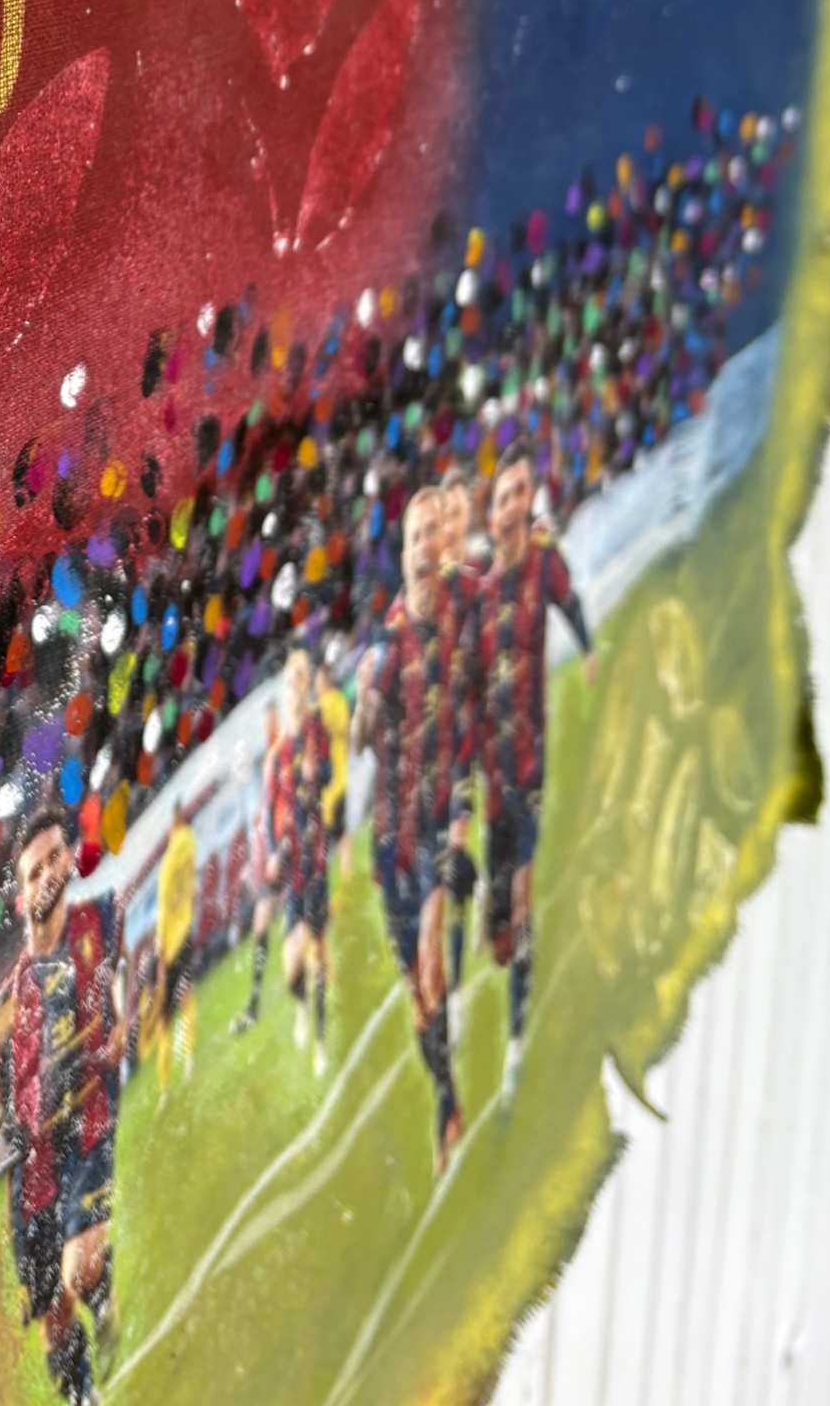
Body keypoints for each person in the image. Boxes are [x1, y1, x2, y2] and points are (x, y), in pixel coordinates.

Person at [467, 444, 595, 1103]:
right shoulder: (481, 596)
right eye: (505, 495)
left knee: (521, 894)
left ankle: (517, 1044)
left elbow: (569, 602)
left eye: (523, 491)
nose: (515, 503)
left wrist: (589, 649)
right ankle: (498, 926)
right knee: (499, 938)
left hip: (530, 767)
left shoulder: (545, 561)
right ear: (491, 517)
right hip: (494, 781)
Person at [0, 805, 126, 1404]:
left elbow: (124, 979)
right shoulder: (12, 994)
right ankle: (84, 1397)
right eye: (33, 871)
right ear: (20, 895)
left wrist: (124, 1023)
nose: (47, 876)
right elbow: (0, 1101)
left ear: (69, 859)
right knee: (51, 1315)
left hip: (86, 1123)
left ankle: (105, 1294)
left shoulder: (100, 919)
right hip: (33, 1165)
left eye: (53, 860)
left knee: (79, 1270)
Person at [354, 486, 475, 1169]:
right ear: (403, 554)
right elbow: (365, 736)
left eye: (434, 532)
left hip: (434, 824)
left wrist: (461, 822)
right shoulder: (387, 640)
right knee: (421, 998)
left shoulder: (457, 624)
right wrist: (365, 705)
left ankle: (447, 1113)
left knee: (431, 956)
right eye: (415, 536)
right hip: (391, 837)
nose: (425, 545)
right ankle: (448, 1100)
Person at [436, 471, 486, 1010]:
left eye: (458, 513)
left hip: (469, 738)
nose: (451, 525)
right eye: (444, 515)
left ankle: (451, 985)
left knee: (453, 858)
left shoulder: (477, 581)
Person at [273, 646, 334, 1074]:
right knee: (291, 962)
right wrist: (275, 847)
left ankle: (322, 1041)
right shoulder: (281, 747)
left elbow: (327, 773)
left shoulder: (316, 729)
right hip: (291, 861)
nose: (297, 687)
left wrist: (318, 774)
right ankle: (301, 1008)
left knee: (319, 950)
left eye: (302, 678)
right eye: (291, 680)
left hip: (315, 857)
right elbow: (277, 803)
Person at [232, 702, 286, 1033]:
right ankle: (253, 1003)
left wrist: (278, 853)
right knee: (261, 927)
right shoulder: (252, 791)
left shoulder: (275, 764)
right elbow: (258, 832)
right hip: (269, 870)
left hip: (285, 860)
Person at [152, 795, 198, 1099]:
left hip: (170, 945)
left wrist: (160, 955)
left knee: (164, 1018)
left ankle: (165, 1086)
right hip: (186, 932)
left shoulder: (168, 863)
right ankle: (189, 1058)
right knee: (187, 998)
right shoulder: (189, 842)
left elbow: (164, 910)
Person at [315, 637, 352, 880]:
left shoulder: (332, 702)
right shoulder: (327, 703)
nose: (316, 685)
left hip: (336, 778)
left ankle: (346, 871)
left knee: (338, 828)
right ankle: (344, 872)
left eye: (319, 680)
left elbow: (340, 729)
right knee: (335, 830)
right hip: (332, 779)